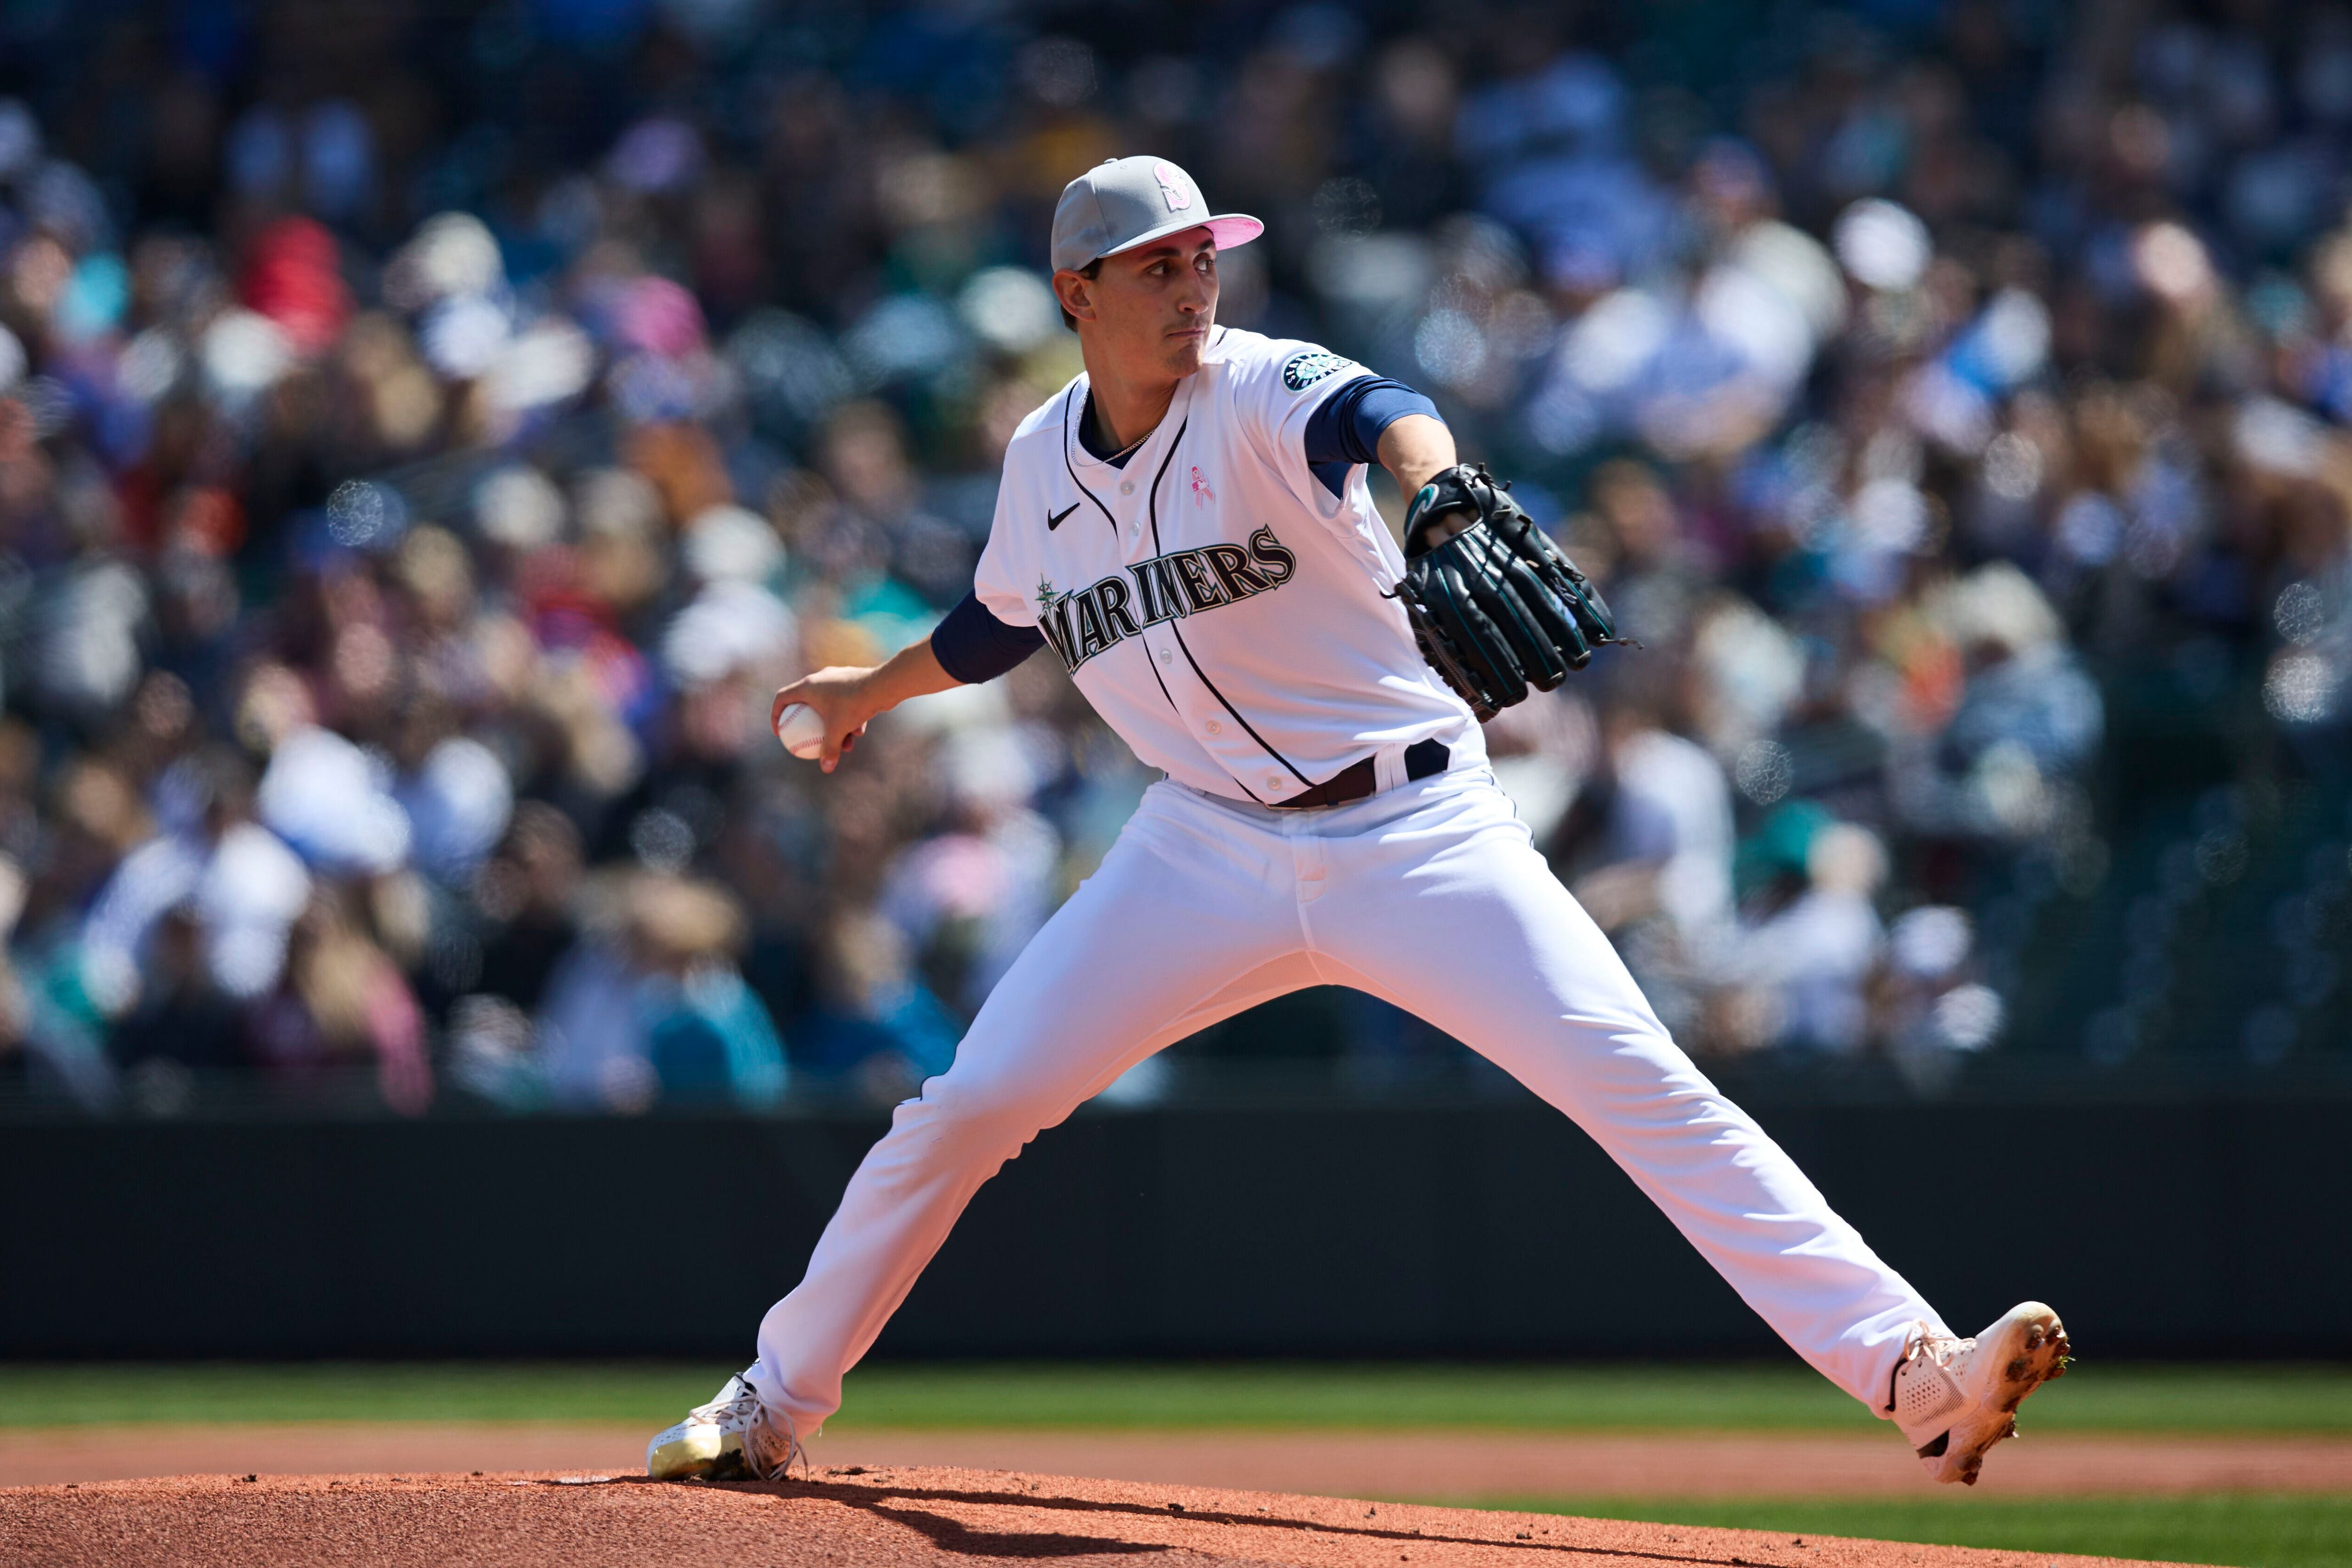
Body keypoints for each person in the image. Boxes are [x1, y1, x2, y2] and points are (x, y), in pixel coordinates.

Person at [646, 157, 2067, 1489]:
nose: (1193, 285)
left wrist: (1433, 480)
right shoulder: (1039, 462)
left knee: (1641, 1083)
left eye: (1203, 256)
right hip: (1198, 849)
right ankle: (774, 1404)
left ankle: (1914, 1376)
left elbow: (1377, 411)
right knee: (967, 1108)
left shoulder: (1259, 386)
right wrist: (865, 694)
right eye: (1155, 267)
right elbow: (995, 621)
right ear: (1077, 292)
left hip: (1417, 832)